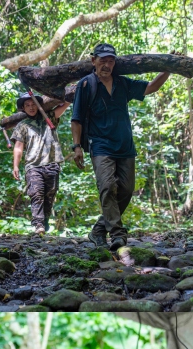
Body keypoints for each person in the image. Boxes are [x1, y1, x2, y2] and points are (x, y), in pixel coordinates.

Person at [70, 43, 170, 250]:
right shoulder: (86, 85)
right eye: (103, 60)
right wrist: (76, 146)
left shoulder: (123, 84)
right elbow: (76, 118)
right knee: (107, 186)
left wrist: (168, 68)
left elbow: (151, 87)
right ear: (93, 61)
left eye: (111, 61)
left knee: (126, 190)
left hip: (125, 145)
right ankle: (117, 234)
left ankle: (99, 229)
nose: (107, 65)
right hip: (100, 145)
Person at [11, 92, 70, 235]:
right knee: (36, 193)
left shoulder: (49, 118)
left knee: (50, 195)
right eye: (27, 105)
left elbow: (65, 104)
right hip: (33, 166)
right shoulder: (22, 125)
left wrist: (71, 94)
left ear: (38, 106)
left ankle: (44, 221)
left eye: (33, 104)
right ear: (23, 108)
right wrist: (16, 166)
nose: (31, 107)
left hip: (52, 164)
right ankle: (38, 224)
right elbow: (18, 147)